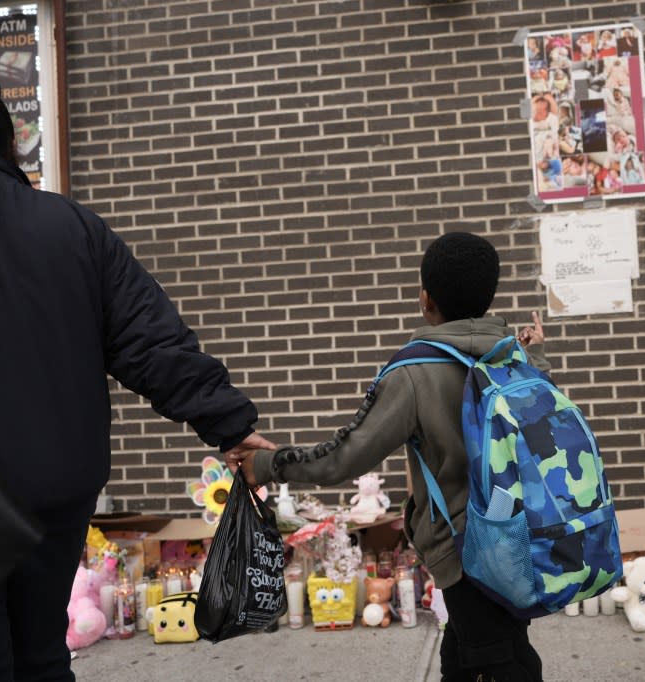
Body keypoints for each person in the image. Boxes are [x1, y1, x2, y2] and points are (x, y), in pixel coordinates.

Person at [0, 46, 274, 679]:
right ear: (2, 131)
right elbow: (152, 343)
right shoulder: (72, 229)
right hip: (52, 491)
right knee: (43, 654)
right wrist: (231, 427)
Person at [235, 233, 548, 681]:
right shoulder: (512, 357)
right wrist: (537, 353)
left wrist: (266, 464)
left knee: (502, 662)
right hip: (518, 539)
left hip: (466, 554)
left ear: (426, 300)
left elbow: (345, 456)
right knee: (466, 656)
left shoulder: (415, 372)